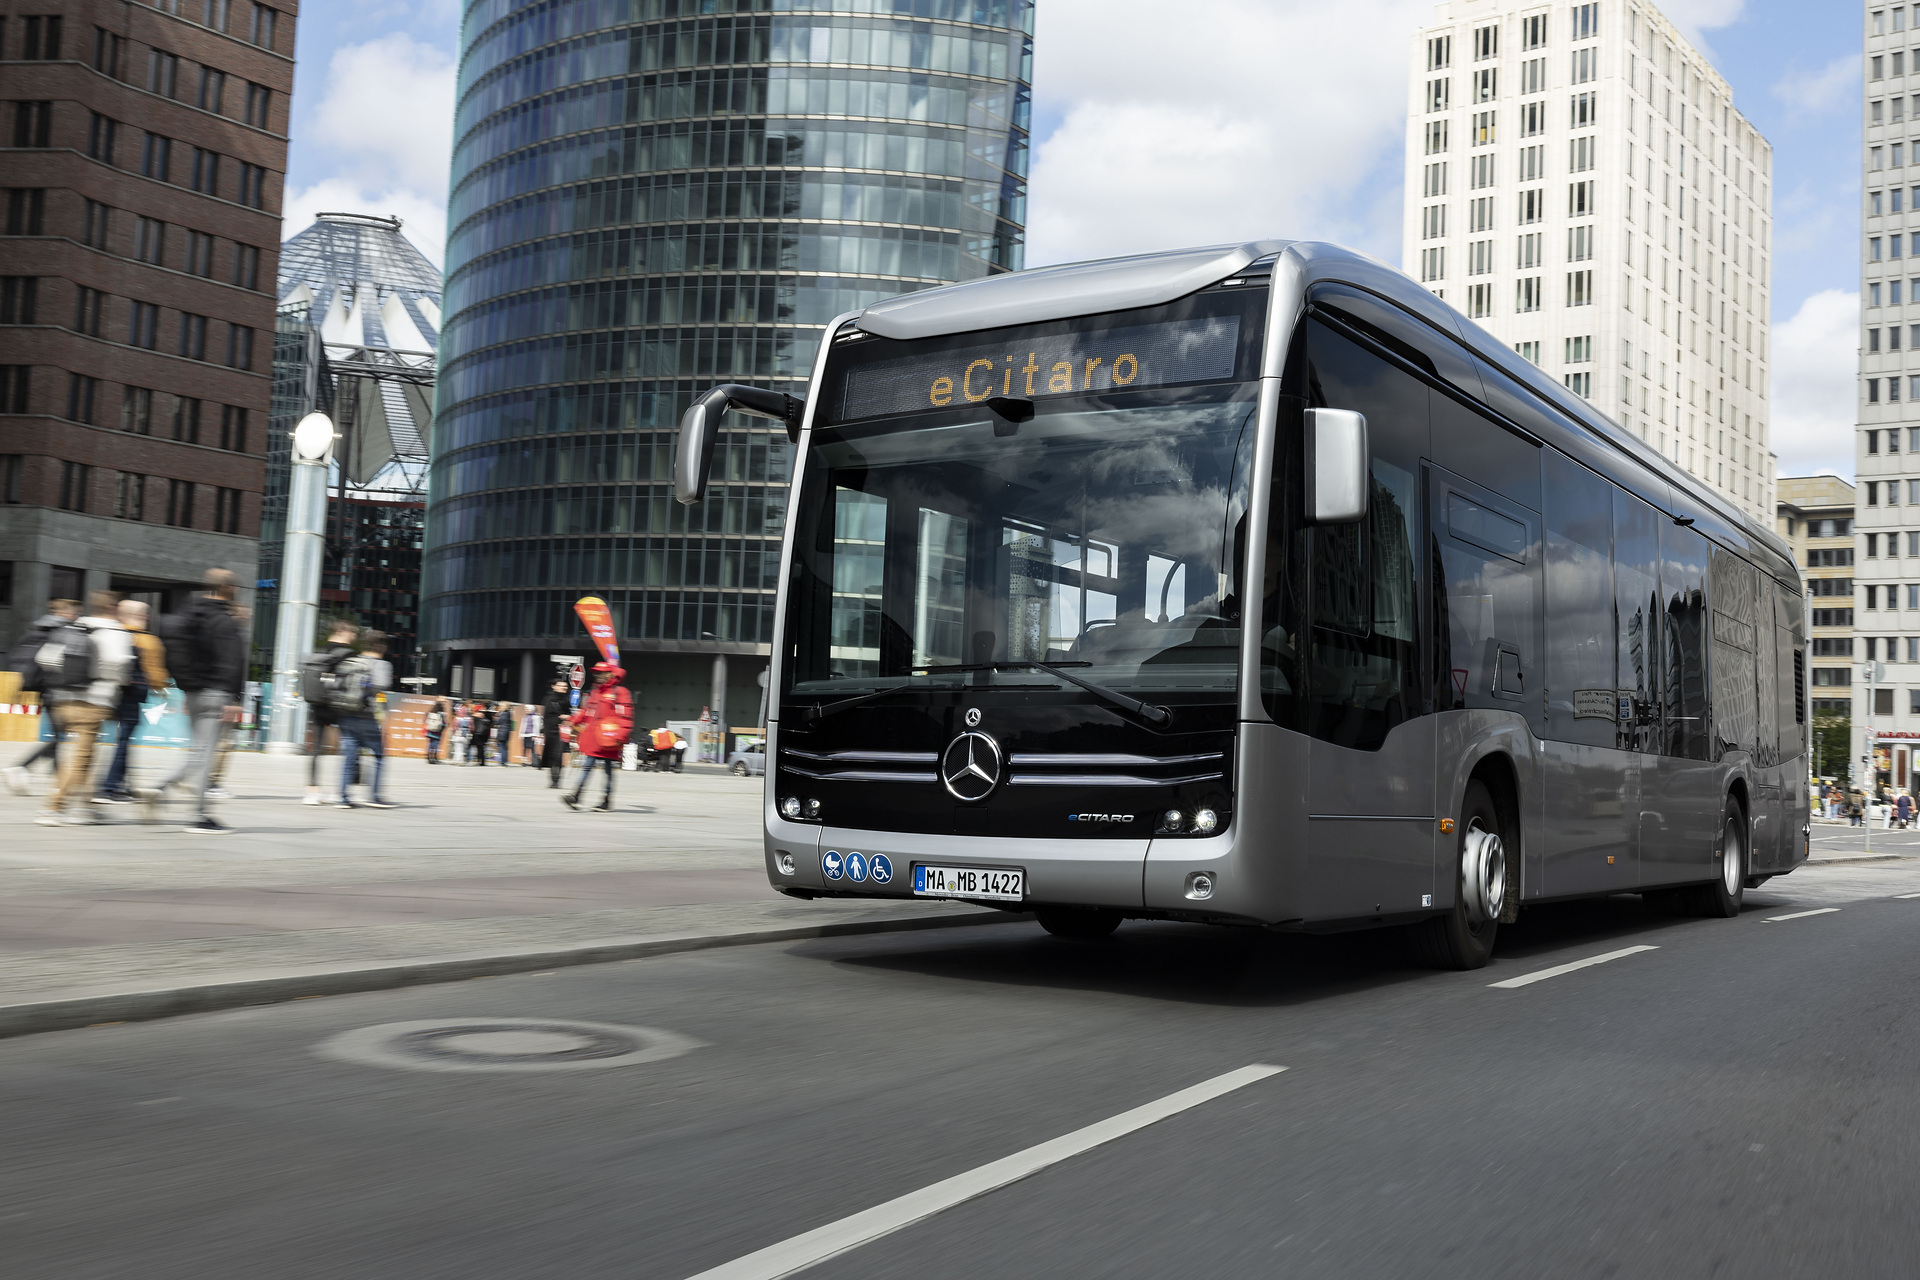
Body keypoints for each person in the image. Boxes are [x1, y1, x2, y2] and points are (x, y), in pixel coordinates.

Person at [146, 569, 247, 833]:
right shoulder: (223, 620)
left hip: (192, 693)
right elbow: (232, 660)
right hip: (217, 695)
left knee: (199, 752)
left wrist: (189, 687)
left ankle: (163, 789)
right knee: (204, 755)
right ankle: (198, 815)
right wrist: (234, 697)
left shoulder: (189, 614)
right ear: (227, 587)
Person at [35, 591, 134, 826]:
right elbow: (119, 664)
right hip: (94, 701)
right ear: (112, 607)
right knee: (81, 757)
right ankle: (53, 807)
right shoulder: (116, 631)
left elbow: (45, 658)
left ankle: (85, 807)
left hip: (62, 698)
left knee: (83, 756)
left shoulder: (75, 625)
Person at [4, 597, 81, 795]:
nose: (76, 616)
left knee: (58, 735)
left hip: (43, 687)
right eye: (74, 612)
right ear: (65, 613)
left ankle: (58, 781)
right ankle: (21, 767)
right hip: (55, 688)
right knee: (59, 736)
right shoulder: (59, 631)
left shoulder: (38, 628)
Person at [96, 599, 170, 803]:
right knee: (124, 741)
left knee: (109, 741)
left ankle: (119, 785)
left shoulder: (109, 634)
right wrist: (162, 687)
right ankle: (109, 787)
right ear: (142, 616)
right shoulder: (148, 640)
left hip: (104, 694)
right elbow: (155, 674)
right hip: (131, 695)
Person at [333, 631, 394, 808]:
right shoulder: (381, 665)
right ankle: (373, 796)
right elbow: (382, 686)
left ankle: (343, 797)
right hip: (366, 715)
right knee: (378, 754)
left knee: (349, 757)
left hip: (345, 713)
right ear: (380, 646)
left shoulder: (350, 661)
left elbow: (336, 684)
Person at [302, 621, 360, 805]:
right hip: (340, 705)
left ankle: (312, 791)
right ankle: (340, 791)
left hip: (318, 705)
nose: (354, 638)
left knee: (316, 750)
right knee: (350, 747)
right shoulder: (348, 654)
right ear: (342, 631)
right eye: (353, 634)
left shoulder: (319, 652)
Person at [563, 662, 632, 811]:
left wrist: (621, 734)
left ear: (610, 674)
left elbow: (626, 716)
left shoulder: (620, 691)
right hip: (594, 737)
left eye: (601, 673)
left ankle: (606, 800)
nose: (597, 675)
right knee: (587, 766)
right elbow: (586, 710)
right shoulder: (595, 691)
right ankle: (576, 796)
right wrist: (573, 720)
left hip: (610, 737)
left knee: (608, 770)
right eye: (596, 673)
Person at [540, 678, 570, 787]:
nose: (564, 688)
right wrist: (543, 731)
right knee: (551, 755)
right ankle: (553, 780)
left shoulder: (566, 699)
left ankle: (557, 780)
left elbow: (570, 713)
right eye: (562, 686)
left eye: (565, 686)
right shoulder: (548, 699)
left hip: (562, 731)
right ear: (554, 686)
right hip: (550, 730)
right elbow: (545, 716)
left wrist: (567, 716)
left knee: (558, 755)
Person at [468, 700, 493, 765]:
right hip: (485, 733)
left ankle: (472, 759)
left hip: (476, 732)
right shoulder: (489, 715)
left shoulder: (476, 715)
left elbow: (472, 723)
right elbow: (491, 723)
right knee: (481, 747)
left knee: (471, 746)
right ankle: (482, 761)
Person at [495, 702, 514, 766]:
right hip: (506, 731)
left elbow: (498, 722)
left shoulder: (503, 714)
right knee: (505, 747)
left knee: (502, 747)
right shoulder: (509, 713)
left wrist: (495, 719)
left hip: (502, 731)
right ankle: (505, 761)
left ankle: (503, 762)